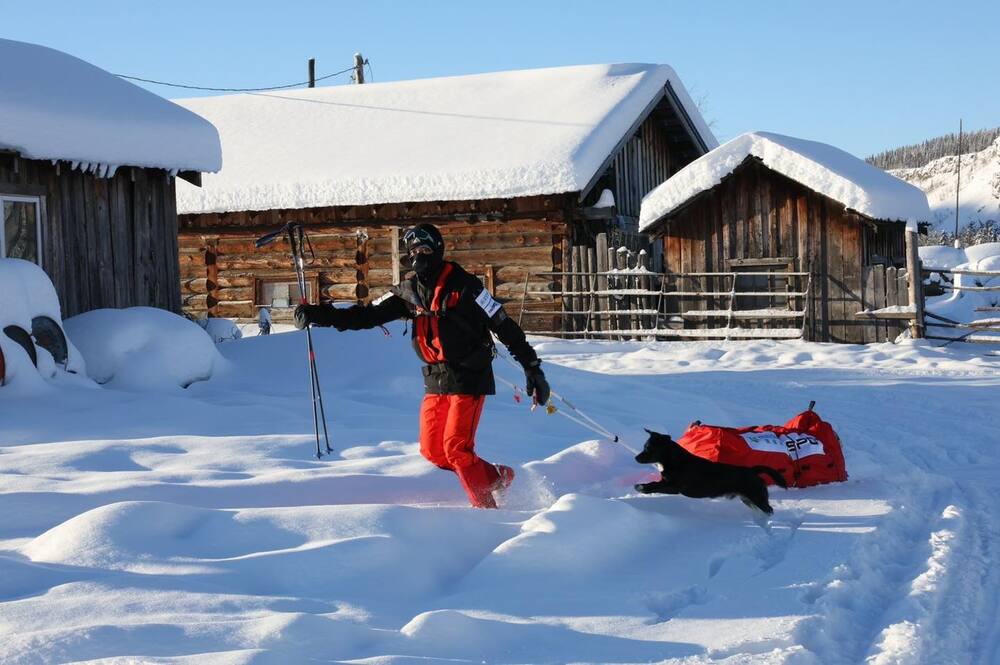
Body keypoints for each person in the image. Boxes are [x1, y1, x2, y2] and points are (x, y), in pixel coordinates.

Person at [294, 223, 550, 509]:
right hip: (435, 377)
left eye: (425, 249)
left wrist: (532, 367)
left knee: (457, 449)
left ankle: (486, 515)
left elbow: (504, 325)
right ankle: (496, 477)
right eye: (413, 251)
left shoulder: (466, 287)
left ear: (438, 250)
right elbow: (365, 317)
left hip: (469, 374)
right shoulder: (407, 293)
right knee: (434, 452)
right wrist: (319, 314)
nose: (419, 256)